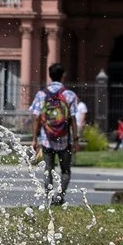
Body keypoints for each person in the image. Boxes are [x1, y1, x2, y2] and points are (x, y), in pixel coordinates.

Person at [29, 63, 79, 206]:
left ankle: (49, 198)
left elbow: (37, 117)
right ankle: (60, 197)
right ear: (63, 76)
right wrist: (75, 139)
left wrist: (34, 138)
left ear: (50, 76)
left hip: (47, 139)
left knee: (48, 170)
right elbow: (73, 119)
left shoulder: (42, 94)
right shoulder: (69, 95)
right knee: (65, 171)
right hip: (64, 139)